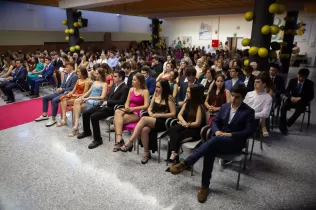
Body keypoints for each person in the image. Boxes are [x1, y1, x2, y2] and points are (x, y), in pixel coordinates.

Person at [170, 85, 256, 203]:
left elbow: (249, 131)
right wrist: (216, 131)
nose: (234, 99)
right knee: (210, 148)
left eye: (237, 97)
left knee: (212, 142)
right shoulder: (225, 107)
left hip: (234, 142)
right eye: (232, 96)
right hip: (218, 139)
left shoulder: (248, 111)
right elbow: (215, 122)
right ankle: (204, 186)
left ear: (243, 98)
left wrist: (231, 135)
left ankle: (185, 163)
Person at [119, 79, 176, 163]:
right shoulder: (156, 95)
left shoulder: (169, 97)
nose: (156, 89)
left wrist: (159, 115)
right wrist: (150, 113)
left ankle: (130, 142)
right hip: (153, 118)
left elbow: (173, 114)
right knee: (144, 130)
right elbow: (149, 107)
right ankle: (146, 153)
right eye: (156, 86)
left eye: (158, 87)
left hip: (163, 121)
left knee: (143, 119)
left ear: (164, 88)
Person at [77, 70, 129, 149]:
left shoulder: (125, 88)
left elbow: (121, 101)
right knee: (85, 113)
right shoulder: (114, 85)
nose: (113, 78)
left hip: (114, 109)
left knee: (94, 117)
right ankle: (87, 131)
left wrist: (107, 102)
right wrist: (104, 100)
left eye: (115, 76)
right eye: (113, 76)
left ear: (121, 78)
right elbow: (109, 96)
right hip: (106, 105)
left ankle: (98, 139)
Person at [166, 84, 205, 163]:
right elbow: (179, 114)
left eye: (188, 92)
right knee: (172, 129)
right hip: (184, 125)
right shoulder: (187, 102)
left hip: (194, 130)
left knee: (177, 135)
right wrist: (183, 122)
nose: (186, 93)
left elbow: (197, 123)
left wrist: (187, 124)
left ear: (194, 94)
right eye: (187, 92)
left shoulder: (199, 106)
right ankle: (174, 153)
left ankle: (174, 157)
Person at [113, 73, 149, 152]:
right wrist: (126, 107)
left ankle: (119, 141)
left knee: (116, 120)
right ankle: (119, 138)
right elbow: (127, 101)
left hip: (137, 112)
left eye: (134, 80)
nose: (132, 81)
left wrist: (133, 109)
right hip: (129, 109)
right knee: (117, 111)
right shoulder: (131, 89)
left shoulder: (145, 91)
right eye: (132, 79)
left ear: (139, 81)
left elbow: (146, 105)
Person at [34, 62, 78, 127]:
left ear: (71, 67)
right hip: (61, 92)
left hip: (67, 93)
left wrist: (62, 89)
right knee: (45, 98)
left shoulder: (74, 76)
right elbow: (63, 85)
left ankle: (53, 119)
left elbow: (72, 88)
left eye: (67, 67)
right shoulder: (67, 75)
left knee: (54, 100)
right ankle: (44, 115)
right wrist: (60, 88)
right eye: (65, 67)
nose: (65, 68)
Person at [69, 68, 108, 137]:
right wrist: (82, 97)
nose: (95, 75)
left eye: (97, 74)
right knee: (77, 101)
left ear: (101, 75)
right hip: (89, 100)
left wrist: (89, 97)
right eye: (95, 73)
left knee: (76, 106)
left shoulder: (104, 84)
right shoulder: (95, 82)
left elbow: (102, 97)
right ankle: (76, 125)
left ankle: (76, 126)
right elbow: (88, 92)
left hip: (96, 102)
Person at [279, 68, 314, 134]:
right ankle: (282, 124)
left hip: (302, 101)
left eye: (303, 77)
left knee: (299, 111)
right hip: (292, 99)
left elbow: (311, 96)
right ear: (298, 75)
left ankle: (287, 124)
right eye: (300, 76)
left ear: (306, 77)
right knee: (283, 107)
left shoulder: (310, 83)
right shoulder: (292, 81)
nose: (300, 78)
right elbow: (286, 91)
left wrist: (300, 98)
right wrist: (291, 97)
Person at [244, 72, 273, 137]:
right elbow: (242, 106)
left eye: (258, 82)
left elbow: (265, 113)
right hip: (243, 116)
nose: (255, 83)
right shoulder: (249, 93)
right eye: (255, 81)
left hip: (253, 120)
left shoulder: (268, 98)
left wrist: (251, 115)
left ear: (264, 84)